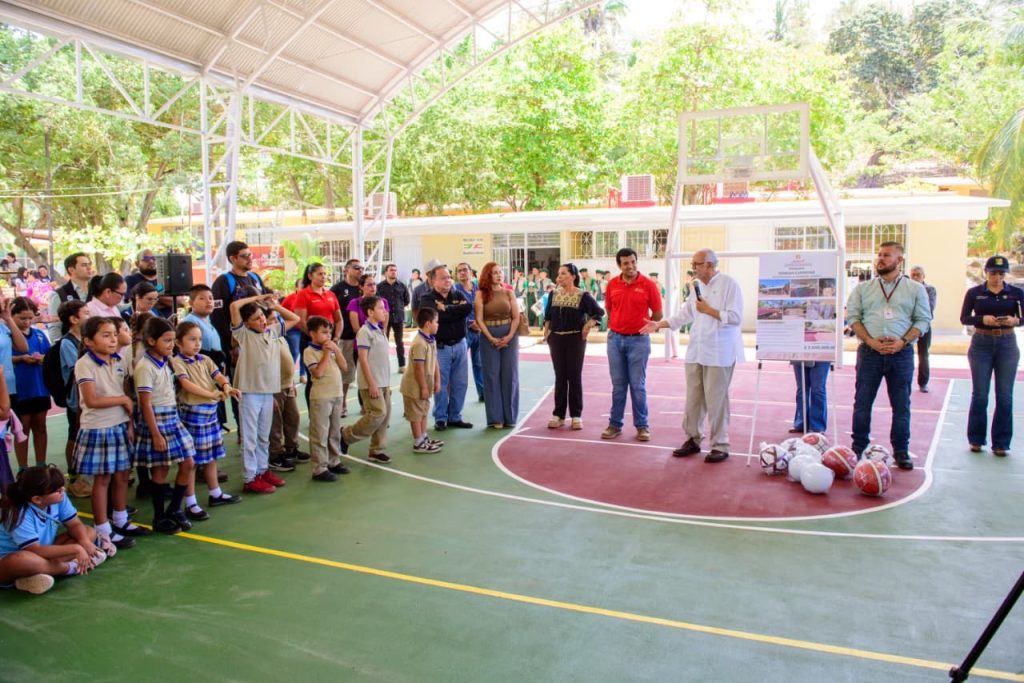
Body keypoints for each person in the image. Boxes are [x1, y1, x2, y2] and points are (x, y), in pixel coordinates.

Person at [642, 249, 743, 462]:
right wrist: (659, 324)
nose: (693, 268)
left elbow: (735, 317)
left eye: (696, 264)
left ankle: (720, 445)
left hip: (719, 352)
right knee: (693, 399)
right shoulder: (695, 286)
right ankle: (692, 439)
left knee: (716, 401)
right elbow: (685, 315)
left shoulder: (729, 284)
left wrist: (709, 310)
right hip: (696, 350)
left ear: (709, 265)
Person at [847, 242, 932, 470]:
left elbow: (923, 320)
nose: (881, 259)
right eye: (879, 255)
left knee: (901, 405)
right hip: (869, 353)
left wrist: (902, 341)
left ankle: (901, 450)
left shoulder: (915, 289)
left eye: (887, 255)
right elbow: (853, 318)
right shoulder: (863, 289)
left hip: (901, 354)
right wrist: (871, 341)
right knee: (862, 403)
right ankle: (858, 447)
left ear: (899, 260)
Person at [72, 316, 138, 549]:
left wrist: (129, 423)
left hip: (120, 424)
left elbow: (126, 394)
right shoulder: (84, 364)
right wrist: (123, 400)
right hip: (99, 427)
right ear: (89, 341)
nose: (113, 340)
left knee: (122, 475)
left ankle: (120, 520)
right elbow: (91, 400)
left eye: (114, 334)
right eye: (106, 335)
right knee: (103, 479)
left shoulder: (119, 360)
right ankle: (103, 529)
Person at [0, 466, 112, 596]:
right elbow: (35, 550)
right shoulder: (20, 514)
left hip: (43, 553)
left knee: (88, 532)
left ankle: (32, 577)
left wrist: (85, 542)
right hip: (12, 560)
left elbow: (75, 524)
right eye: (57, 490)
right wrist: (77, 549)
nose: (63, 490)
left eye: (62, 487)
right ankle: (70, 568)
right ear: (37, 499)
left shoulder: (59, 498)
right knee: (21, 560)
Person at [230, 292, 299, 494]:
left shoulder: (272, 331)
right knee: (250, 438)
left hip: (268, 393)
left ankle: (262, 470)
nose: (261, 321)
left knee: (263, 436)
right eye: (256, 319)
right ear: (246, 323)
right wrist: (255, 298)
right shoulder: (243, 335)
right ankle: (250, 478)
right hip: (250, 393)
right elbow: (234, 307)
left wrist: (274, 306)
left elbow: (295, 319)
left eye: (262, 316)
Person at [134, 317, 196, 534]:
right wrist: (155, 434)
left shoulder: (166, 362)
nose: (171, 345)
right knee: (160, 470)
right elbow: (145, 403)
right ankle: (159, 517)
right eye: (166, 341)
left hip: (171, 416)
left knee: (188, 462)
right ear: (151, 341)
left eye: (172, 340)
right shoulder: (145, 366)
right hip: (157, 421)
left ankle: (174, 508)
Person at [171, 321, 241, 508]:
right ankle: (191, 502)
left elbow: (218, 375)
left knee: (211, 456)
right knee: (192, 461)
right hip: (194, 414)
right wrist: (211, 394)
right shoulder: (177, 362)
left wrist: (227, 387)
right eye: (192, 339)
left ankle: (215, 493)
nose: (197, 343)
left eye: (199, 339)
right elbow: (186, 385)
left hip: (210, 413)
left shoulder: (204, 359)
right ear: (178, 342)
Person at [959, 255, 1023, 456]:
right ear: (986, 272)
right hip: (981, 343)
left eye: (1001, 274)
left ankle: (1001, 443)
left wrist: (1015, 321)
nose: (997, 278)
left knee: (1005, 395)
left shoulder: (1016, 293)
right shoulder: (975, 293)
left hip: (1007, 343)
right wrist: (982, 319)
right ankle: (976, 439)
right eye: (993, 273)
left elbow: (1023, 318)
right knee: (980, 394)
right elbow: (964, 318)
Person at [602, 248, 662, 442]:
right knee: (618, 386)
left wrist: (646, 329)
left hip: (639, 341)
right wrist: (619, 325)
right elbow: (609, 309)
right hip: (615, 340)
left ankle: (642, 426)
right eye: (626, 263)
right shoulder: (612, 284)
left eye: (633, 262)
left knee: (637, 385)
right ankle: (615, 425)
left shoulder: (648, 285)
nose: (630, 266)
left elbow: (658, 313)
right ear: (619, 265)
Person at [210, 241, 269, 425]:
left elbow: (265, 306)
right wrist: (231, 346)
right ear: (233, 259)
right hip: (238, 344)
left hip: (259, 342)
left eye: (251, 255)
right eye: (245, 256)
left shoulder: (255, 278)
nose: (250, 259)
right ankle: (243, 428)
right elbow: (218, 318)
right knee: (241, 386)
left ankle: (260, 424)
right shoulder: (224, 282)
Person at [542, 263, 603, 431]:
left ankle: (576, 415)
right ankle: (559, 415)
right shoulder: (553, 294)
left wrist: (588, 325)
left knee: (574, 376)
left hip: (575, 339)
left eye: (563, 273)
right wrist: (546, 333)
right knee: (560, 376)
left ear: (573, 277)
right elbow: (548, 316)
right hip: (556, 339)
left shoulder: (583, 295)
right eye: (559, 274)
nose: (559, 277)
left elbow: (599, 312)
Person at [420, 265, 473, 431]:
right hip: (440, 348)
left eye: (449, 277)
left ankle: (455, 417)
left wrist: (446, 309)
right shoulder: (427, 298)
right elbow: (435, 318)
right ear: (433, 280)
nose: (448, 280)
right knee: (440, 384)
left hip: (460, 344)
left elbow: (467, 308)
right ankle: (441, 418)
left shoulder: (457, 294)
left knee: (460, 383)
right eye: (443, 278)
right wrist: (455, 312)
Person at [340, 296, 393, 463]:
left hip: (383, 381)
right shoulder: (365, 332)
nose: (384, 311)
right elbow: (363, 359)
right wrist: (372, 384)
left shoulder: (380, 329)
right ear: (370, 312)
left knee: (385, 416)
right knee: (378, 413)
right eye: (380, 308)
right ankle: (346, 435)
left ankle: (376, 449)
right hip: (372, 382)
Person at [302, 316, 350, 481]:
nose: (328, 335)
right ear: (312, 334)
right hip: (321, 397)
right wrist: (327, 353)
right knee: (320, 433)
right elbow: (318, 373)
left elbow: (344, 366)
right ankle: (319, 468)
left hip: (336, 394)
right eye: (324, 332)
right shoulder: (309, 351)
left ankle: (333, 461)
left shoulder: (331, 348)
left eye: (329, 332)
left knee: (334, 431)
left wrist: (336, 350)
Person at [474, 262, 520, 429]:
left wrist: (509, 336)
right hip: (488, 337)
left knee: (510, 374)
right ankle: (496, 418)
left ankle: (510, 417)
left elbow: (516, 317)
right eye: (495, 273)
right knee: (491, 376)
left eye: (501, 272)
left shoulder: (509, 292)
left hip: (510, 336)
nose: (499, 275)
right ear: (488, 276)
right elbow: (479, 319)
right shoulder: (480, 294)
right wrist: (491, 338)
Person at [182, 284, 230, 435]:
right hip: (200, 378)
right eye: (202, 298)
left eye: (210, 298)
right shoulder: (190, 322)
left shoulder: (207, 321)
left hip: (214, 374)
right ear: (191, 303)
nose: (209, 301)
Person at [10, 297, 51, 469]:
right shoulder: (6, 336)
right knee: (22, 428)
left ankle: (41, 465)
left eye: (30, 318)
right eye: (22, 318)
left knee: (40, 425)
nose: (27, 322)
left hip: (40, 388)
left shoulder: (40, 335)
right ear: (11, 315)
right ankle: (23, 468)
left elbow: (49, 356)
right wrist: (20, 358)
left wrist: (42, 358)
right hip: (19, 389)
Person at [56, 301, 89, 495]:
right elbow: (78, 368)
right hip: (77, 399)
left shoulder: (85, 338)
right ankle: (74, 475)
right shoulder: (68, 343)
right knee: (74, 434)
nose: (89, 315)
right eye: (86, 313)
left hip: (86, 396)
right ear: (74, 319)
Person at [401, 308, 443, 454]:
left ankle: (424, 437)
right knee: (416, 414)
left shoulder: (430, 339)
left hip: (424, 383)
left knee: (423, 411)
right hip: (414, 386)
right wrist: (424, 388)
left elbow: (435, 361)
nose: (438, 324)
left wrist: (437, 380)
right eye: (436, 322)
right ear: (427, 324)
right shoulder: (419, 343)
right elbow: (418, 368)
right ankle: (418, 442)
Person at [329, 259, 364, 417]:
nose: (360, 270)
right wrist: (334, 334)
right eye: (356, 268)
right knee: (346, 373)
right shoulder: (337, 289)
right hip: (346, 337)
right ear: (346, 270)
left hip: (363, 338)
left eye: (361, 268)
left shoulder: (363, 288)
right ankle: (342, 404)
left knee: (364, 372)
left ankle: (365, 404)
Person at [454, 262, 485, 401]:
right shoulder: (454, 290)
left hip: (479, 331)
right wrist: (469, 323)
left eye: (465, 270)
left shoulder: (478, 288)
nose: (462, 272)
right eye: (459, 270)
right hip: (464, 332)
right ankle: (457, 397)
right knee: (460, 365)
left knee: (479, 363)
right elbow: (454, 311)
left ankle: (482, 393)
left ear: (471, 272)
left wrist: (480, 323)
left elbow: (485, 307)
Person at [47, 252, 92, 342]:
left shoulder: (98, 291)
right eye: (84, 265)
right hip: (72, 345)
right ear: (71, 270)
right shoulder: (59, 294)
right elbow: (55, 327)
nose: (89, 268)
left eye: (89, 264)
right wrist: (59, 346)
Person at [377, 263, 410, 374]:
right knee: (383, 342)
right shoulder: (379, 287)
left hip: (398, 318)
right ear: (386, 272)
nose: (394, 272)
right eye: (391, 270)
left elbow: (406, 301)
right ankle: (383, 365)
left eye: (395, 270)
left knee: (399, 342)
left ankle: (402, 365)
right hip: (384, 318)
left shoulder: (402, 286)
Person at [909, 265, 937, 393]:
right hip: (907, 326)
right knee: (906, 354)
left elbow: (929, 309)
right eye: (913, 275)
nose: (915, 277)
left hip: (924, 326)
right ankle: (905, 380)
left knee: (923, 355)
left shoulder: (930, 290)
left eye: (918, 275)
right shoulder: (905, 289)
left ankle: (923, 382)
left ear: (923, 276)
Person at [124, 249, 175, 317]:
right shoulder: (131, 280)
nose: (151, 261)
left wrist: (150, 299)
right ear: (137, 263)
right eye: (146, 259)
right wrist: (165, 300)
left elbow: (180, 301)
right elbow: (133, 303)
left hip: (168, 321)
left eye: (153, 258)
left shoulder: (166, 279)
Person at [789, 361, 830, 435]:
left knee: (818, 389)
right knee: (802, 389)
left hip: (821, 357)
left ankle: (817, 427)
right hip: (799, 356)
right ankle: (801, 423)